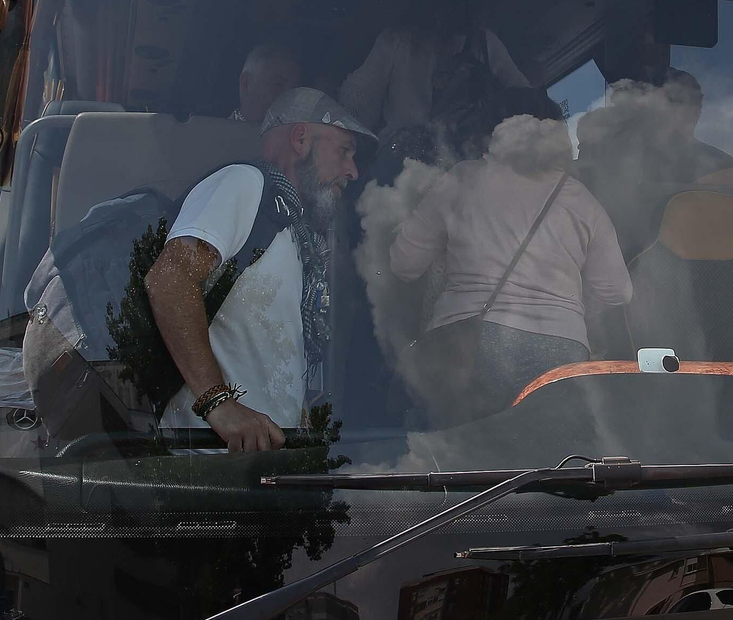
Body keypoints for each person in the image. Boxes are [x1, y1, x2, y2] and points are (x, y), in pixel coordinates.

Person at [389, 89, 632, 423]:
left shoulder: (462, 179)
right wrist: (567, 308)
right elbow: (617, 291)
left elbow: (403, 265)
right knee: (551, 458)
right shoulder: (582, 201)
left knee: (463, 457)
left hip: (469, 347)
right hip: (562, 354)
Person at [150, 88, 372, 450]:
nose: (353, 170)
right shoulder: (244, 184)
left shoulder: (297, 233)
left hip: (263, 468)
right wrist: (218, 403)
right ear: (301, 139)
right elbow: (170, 280)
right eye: (344, 151)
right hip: (204, 467)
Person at [338, 4, 530, 165]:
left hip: (464, 169)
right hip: (402, 169)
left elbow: (528, 104)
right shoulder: (397, 41)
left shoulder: (484, 44)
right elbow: (355, 108)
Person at [232, 42, 302, 124]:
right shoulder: (216, 134)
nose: (290, 98)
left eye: (294, 90)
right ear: (246, 83)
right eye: (278, 84)